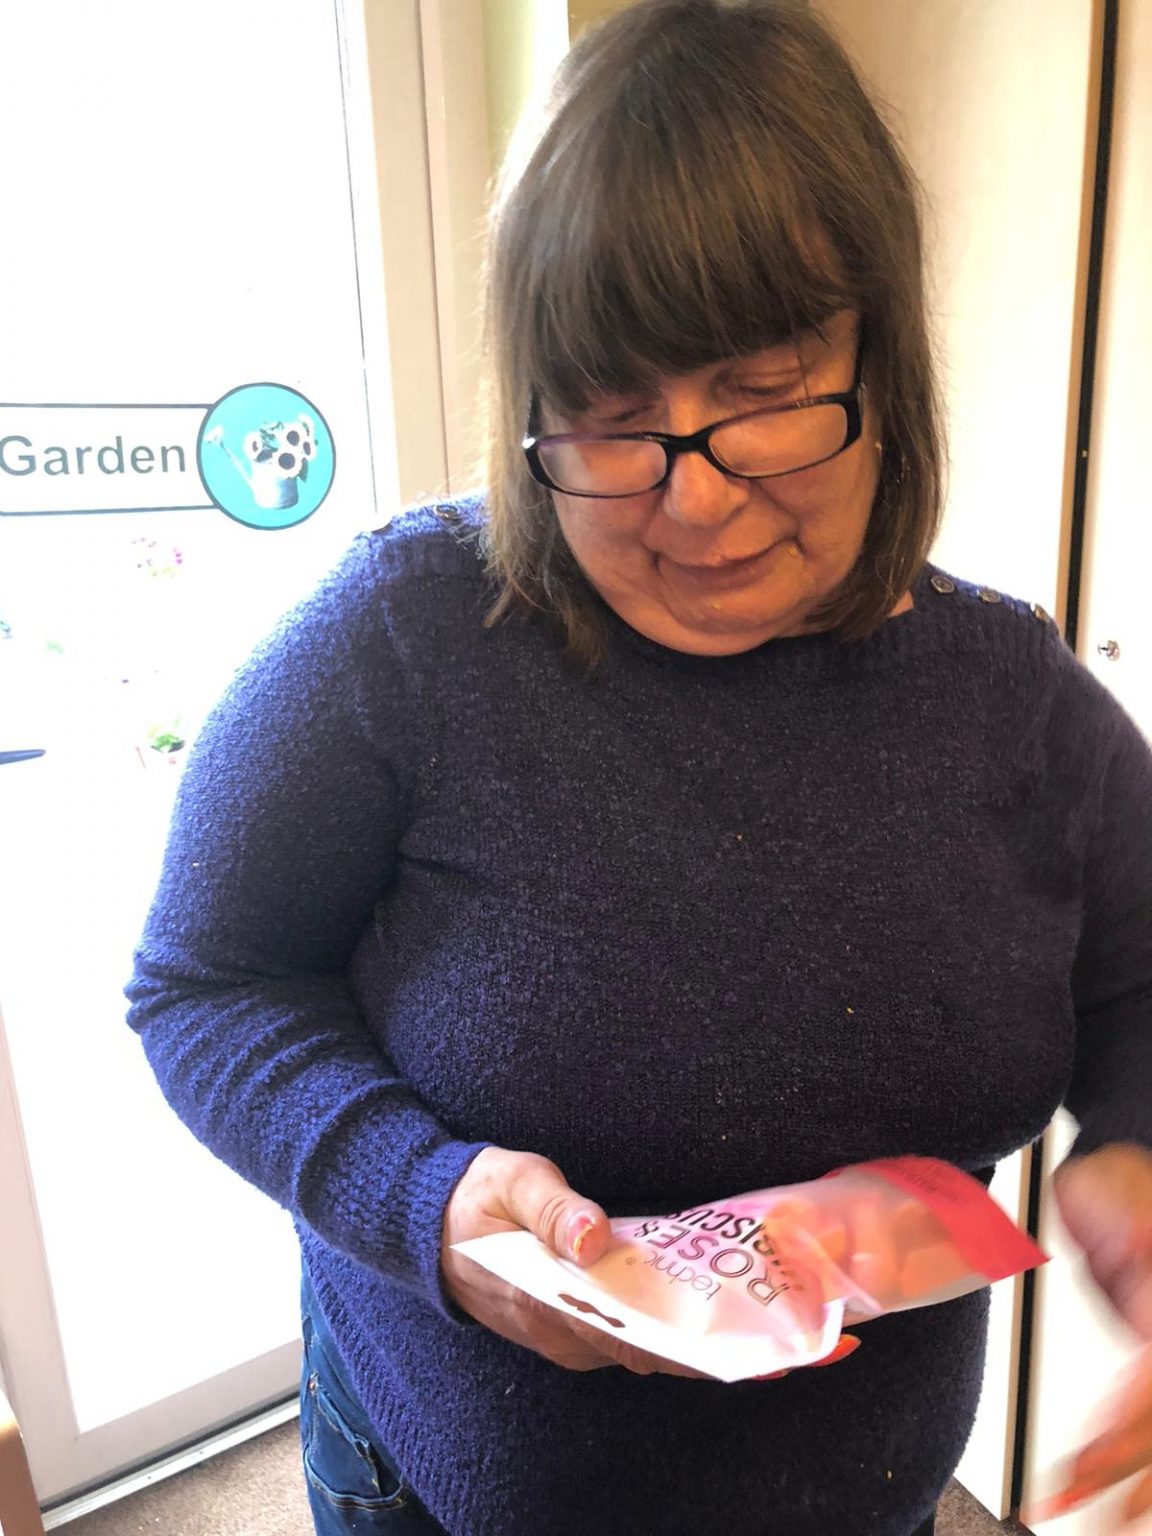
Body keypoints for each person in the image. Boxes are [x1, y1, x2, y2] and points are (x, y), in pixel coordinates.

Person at [125, 2, 1152, 1532]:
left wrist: (1136, 1147)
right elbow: (204, 983)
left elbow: (1140, 981)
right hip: (437, 1481)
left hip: (864, 1491)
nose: (697, 498)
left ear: (881, 362)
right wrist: (423, 1198)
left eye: (764, 391)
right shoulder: (407, 638)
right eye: (609, 415)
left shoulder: (1020, 704)